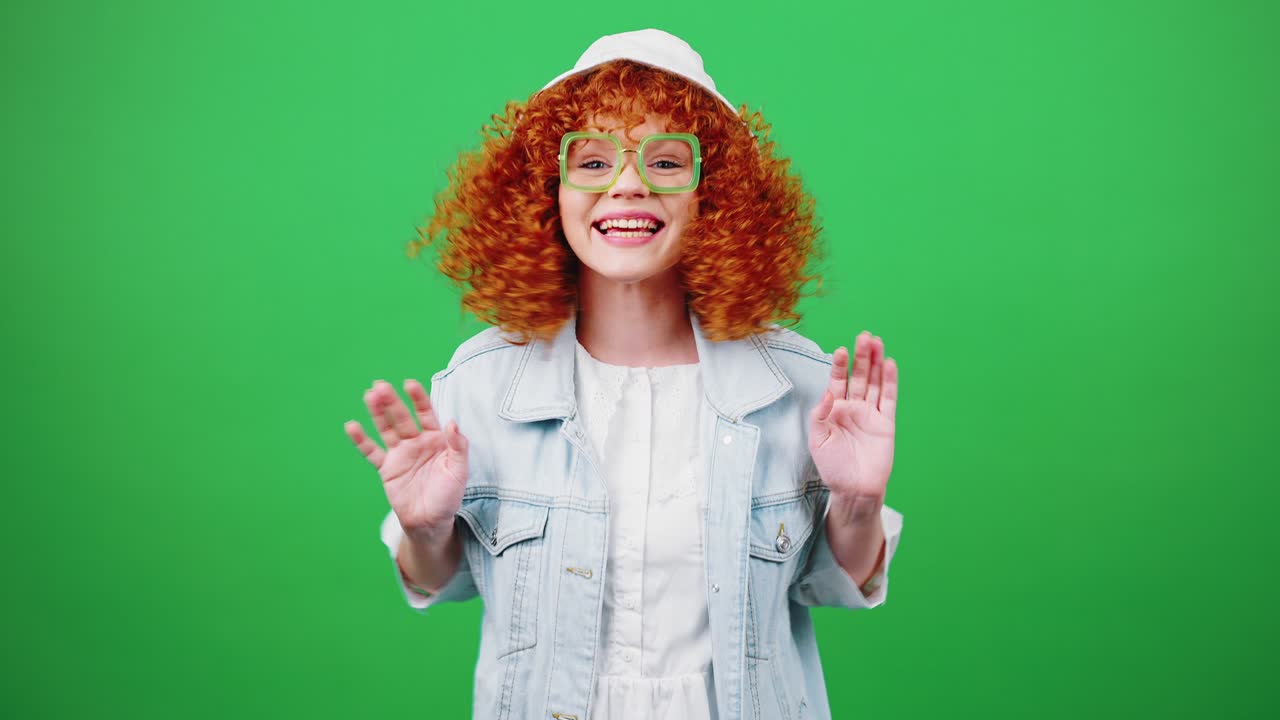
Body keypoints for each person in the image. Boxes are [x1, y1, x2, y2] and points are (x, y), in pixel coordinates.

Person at [344, 28, 904, 720]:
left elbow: (833, 582)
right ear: (551, 191)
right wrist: (426, 531)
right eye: (594, 160)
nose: (629, 184)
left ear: (713, 197)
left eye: (667, 162)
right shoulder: (484, 385)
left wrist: (856, 506)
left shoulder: (796, 386)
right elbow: (443, 580)